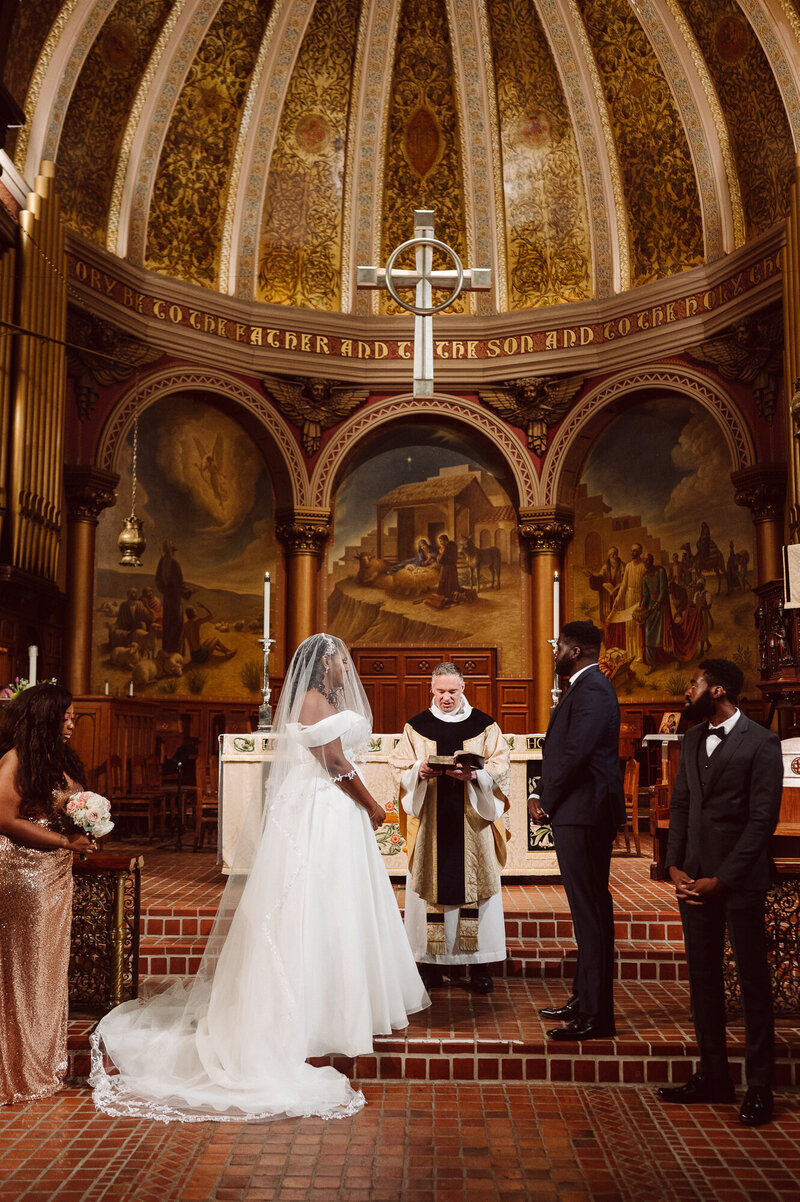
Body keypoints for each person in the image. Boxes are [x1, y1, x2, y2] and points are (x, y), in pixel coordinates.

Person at [91, 634, 429, 1122]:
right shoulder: (314, 699)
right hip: (320, 809)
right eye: (337, 660)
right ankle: (307, 1013)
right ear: (321, 665)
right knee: (312, 903)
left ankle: (335, 1004)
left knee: (336, 905)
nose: (343, 666)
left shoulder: (323, 698)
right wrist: (373, 805)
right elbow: (333, 763)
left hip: (330, 810)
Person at [656, 659, 782, 1127]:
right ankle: (714, 1076)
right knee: (703, 980)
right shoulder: (691, 739)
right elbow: (684, 804)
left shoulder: (762, 742)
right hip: (693, 879)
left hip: (740, 881)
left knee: (752, 983)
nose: (688, 689)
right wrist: (674, 863)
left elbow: (761, 821)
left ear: (718, 689)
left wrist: (722, 878)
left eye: (695, 682)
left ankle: (761, 1086)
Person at [0, 684, 97, 1106]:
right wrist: (63, 843)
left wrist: (84, 832)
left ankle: (38, 1059)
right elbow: (3, 818)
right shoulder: (15, 760)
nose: (73, 722)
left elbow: (61, 811)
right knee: (26, 968)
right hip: (25, 874)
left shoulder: (56, 761)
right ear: (45, 717)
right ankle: (19, 1069)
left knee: (46, 968)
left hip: (55, 874)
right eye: (68, 716)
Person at [389, 662, 510, 995]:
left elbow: (501, 765)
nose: (446, 698)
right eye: (440, 691)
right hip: (431, 822)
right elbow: (399, 767)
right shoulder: (416, 727)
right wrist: (418, 771)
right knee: (429, 888)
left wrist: (476, 776)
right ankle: (429, 965)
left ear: (463, 687)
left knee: (478, 890)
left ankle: (481, 965)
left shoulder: (485, 726)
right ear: (431, 688)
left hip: (473, 822)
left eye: (452, 691)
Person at [529, 621, 625, 1041]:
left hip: (585, 812)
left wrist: (546, 799)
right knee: (585, 912)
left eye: (560, 645)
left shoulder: (594, 689)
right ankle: (584, 998)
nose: (555, 651)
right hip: (578, 810)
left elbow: (576, 752)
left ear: (578, 649)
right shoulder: (583, 686)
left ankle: (597, 1015)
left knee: (591, 913)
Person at [606, 542, 646, 662]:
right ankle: (631, 653)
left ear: (639, 552)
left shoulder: (643, 566)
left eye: (635, 551)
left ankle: (639, 654)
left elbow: (646, 586)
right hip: (629, 597)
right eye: (632, 550)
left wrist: (643, 601)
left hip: (639, 598)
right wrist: (617, 601)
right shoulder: (628, 566)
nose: (632, 553)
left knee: (638, 626)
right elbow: (623, 586)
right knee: (629, 627)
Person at [155, 541, 192, 654]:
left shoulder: (161, 562)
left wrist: (165, 590)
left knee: (168, 622)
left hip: (167, 598)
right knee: (177, 622)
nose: (174, 553)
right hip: (175, 599)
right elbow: (179, 583)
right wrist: (188, 592)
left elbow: (158, 581)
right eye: (173, 551)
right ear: (171, 551)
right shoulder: (174, 563)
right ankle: (177, 651)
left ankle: (167, 649)